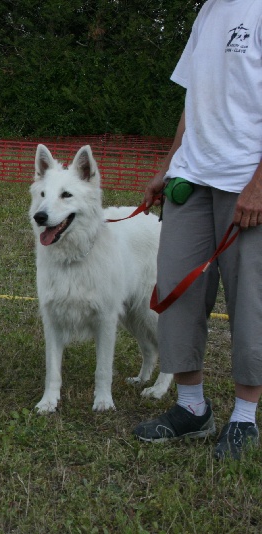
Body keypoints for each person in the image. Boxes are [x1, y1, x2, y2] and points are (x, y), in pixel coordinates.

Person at [132, 0, 262, 461]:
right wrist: (169, 164)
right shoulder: (208, 11)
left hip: (245, 185)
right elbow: (195, 98)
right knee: (176, 290)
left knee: (249, 301)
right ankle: (192, 409)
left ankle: (245, 418)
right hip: (194, 178)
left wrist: (258, 184)